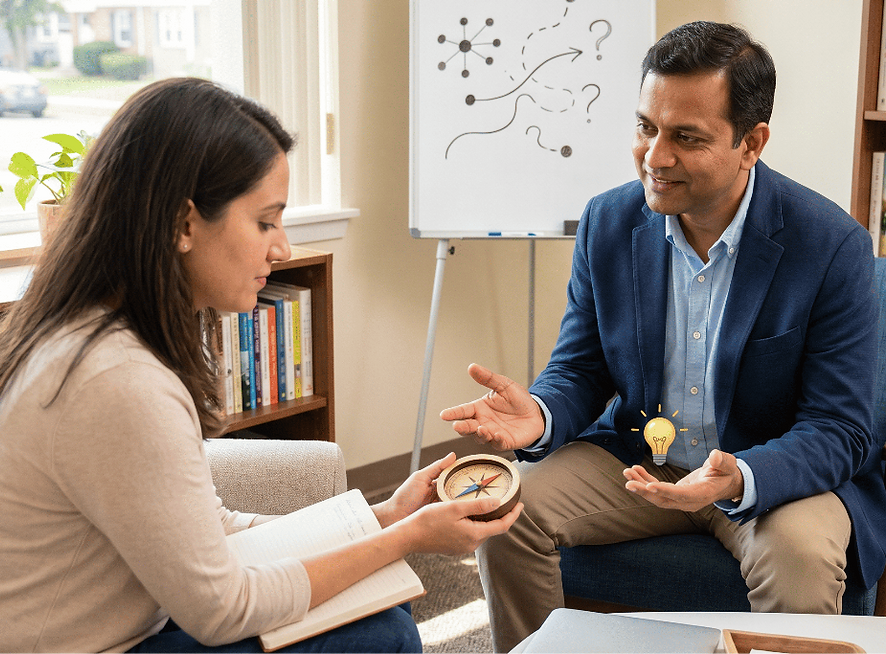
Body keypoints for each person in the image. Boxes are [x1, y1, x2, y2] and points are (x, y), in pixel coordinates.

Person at [0, 77, 521, 654]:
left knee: (376, 605)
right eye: (266, 221)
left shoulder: (105, 330)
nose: (282, 249)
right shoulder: (117, 382)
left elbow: (212, 530)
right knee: (383, 636)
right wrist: (406, 538)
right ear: (182, 224)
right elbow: (223, 611)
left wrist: (384, 517)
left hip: (130, 620)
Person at [441, 21, 882, 654]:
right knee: (507, 510)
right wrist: (538, 415)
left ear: (751, 143)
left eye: (686, 137)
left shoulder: (831, 245)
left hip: (767, 472)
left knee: (802, 559)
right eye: (647, 127)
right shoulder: (608, 220)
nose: (655, 156)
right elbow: (583, 367)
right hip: (638, 459)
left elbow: (840, 428)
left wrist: (738, 476)